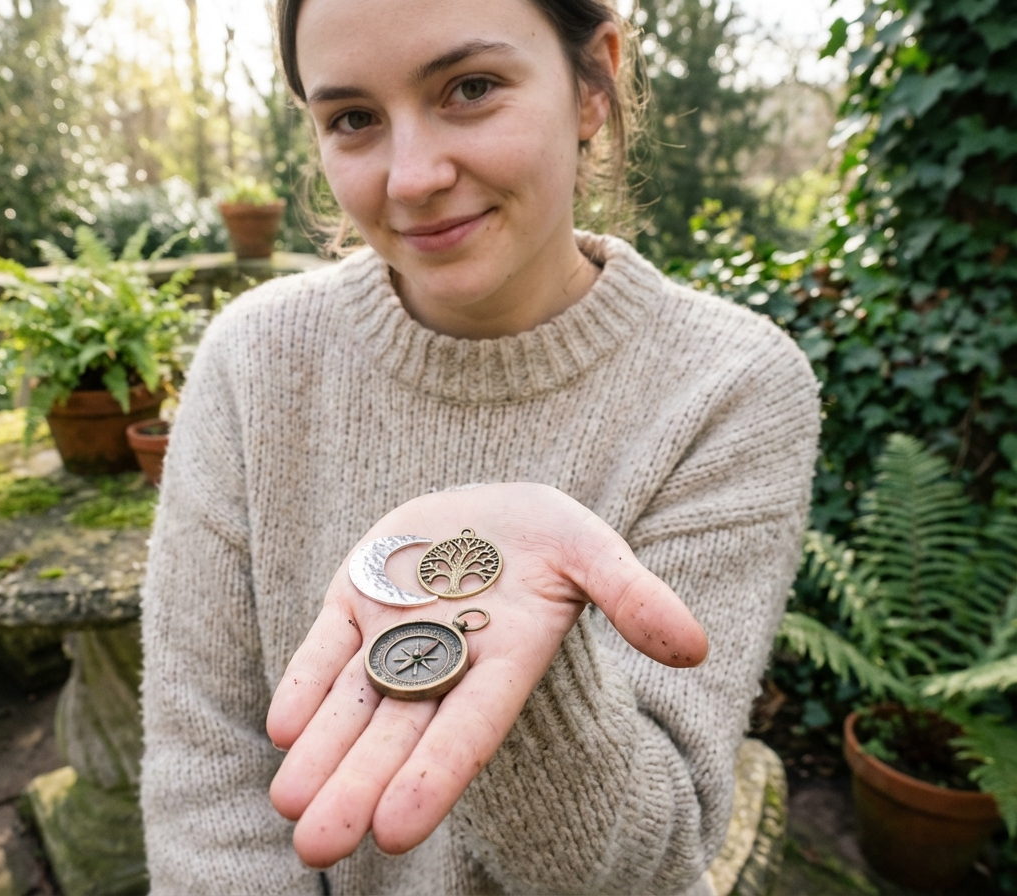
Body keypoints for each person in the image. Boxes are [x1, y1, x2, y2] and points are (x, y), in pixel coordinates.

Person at [139, 0, 820, 892]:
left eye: (470, 88)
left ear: (593, 84)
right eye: (353, 119)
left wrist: (524, 660)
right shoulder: (252, 361)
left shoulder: (734, 387)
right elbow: (207, 784)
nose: (413, 176)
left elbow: (649, 866)